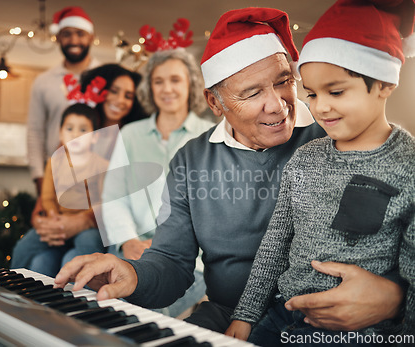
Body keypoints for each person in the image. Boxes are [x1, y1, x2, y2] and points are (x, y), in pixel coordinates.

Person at [54, 7, 405, 334]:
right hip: (230, 314)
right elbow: (173, 261)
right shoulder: (192, 159)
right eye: (252, 93)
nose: (279, 105)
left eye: (284, 81)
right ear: (215, 103)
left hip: (335, 322)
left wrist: (395, 297)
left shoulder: (340, 134)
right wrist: (132, 274)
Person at [225, 1, 414, 345]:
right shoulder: (305, 159)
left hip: (361, 331)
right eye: (311, 93)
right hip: (282, 315)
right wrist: (245, 314)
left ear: (385, 84)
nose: (320, 107)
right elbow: (275, 244)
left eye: (336, 91)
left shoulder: (409, 168)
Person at [101, 48, 214, 317]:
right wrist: (128, 240)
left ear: (192, 85)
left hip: (190, 263)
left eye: (175, 80)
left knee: (143, 314)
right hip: (132, 254)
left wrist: (171, 246)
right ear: (149, 88)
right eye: (158, 81)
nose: (167, 89)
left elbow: (216, 210)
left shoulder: (210, 137)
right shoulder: (130, 134)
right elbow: (112, 195)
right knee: (106, 306)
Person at [12, 96, 109, 277]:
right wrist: (54, 217)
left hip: (87, 227)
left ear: (95, 137)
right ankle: (10, 287)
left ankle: (91, 290)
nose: (75, 134)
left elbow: (101, 204)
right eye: (69, 128)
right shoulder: (54, 163)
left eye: (83, 130)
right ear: (60, 133)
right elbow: (47, 197)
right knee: (23, 247)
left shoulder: (101, 165)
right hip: (57, 222)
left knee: (88, 245)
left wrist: (79, 220)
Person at [27, 6, 100, 221]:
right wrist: (42, 186)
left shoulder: (105, 76)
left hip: (94, 182)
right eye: (66, 34)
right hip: (55, 179)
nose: (73, 40)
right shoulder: (44, 81)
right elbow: (35, 133)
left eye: (80, 33)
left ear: (91, 37)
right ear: (58, 37)